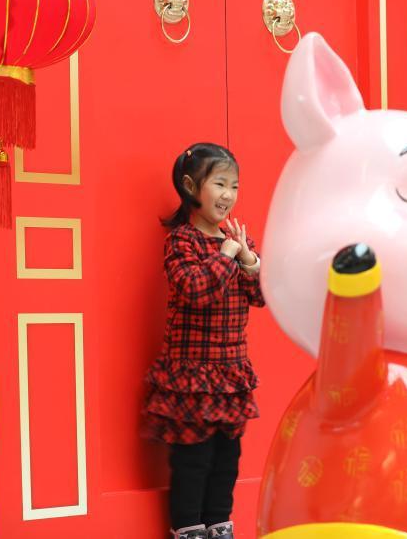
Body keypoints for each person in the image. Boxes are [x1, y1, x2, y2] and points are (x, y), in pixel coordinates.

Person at [143, 143, 264, 539]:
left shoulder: (234, 241)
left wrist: (248, 260)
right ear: (191, 186)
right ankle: (189, 530)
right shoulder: (182, 241)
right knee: (192, 460)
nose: (228, 195)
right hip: (192, 375)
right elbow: (196, 290)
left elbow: (262, 296)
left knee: (227, 461)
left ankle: (220, 527)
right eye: (219, 184)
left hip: (230, 375)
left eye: (235, 186)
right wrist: (227, 255)